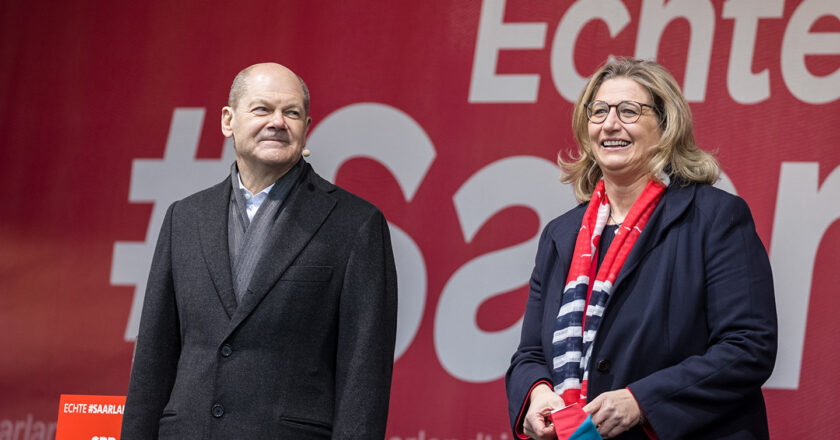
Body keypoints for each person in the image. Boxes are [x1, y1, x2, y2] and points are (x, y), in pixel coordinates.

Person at [121, 62, 398, 439]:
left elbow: (364, 376)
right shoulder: (184, 219)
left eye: (292, 113)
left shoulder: (354, 225)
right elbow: (152, 361)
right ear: (227, 121)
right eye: (262, 109)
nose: (278, 122)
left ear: (307, 127)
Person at [506, 58, 777, 439]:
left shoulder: (715, 218)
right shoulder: (561, 235)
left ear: (666, 126)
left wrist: (642, 402)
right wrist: (536, 393)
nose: (610, 124)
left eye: (629, 111)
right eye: (598, 111)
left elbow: (748, 347)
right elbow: (531, 353)